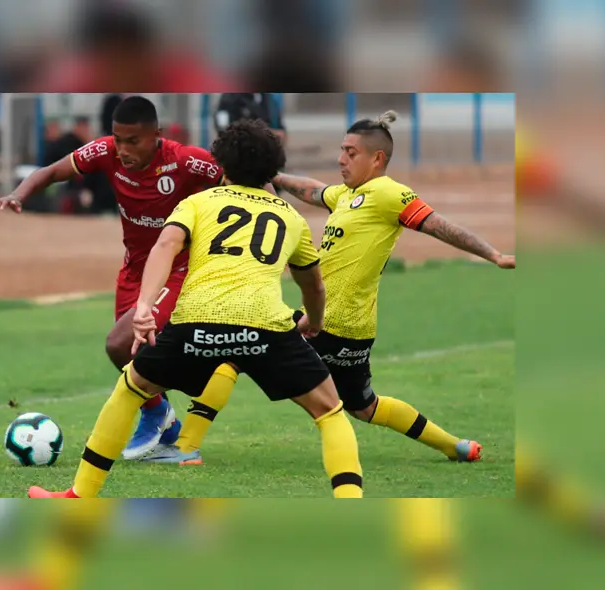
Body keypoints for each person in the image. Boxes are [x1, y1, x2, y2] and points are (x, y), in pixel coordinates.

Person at [142, 111, 516, 466]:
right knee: (364, 406)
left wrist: (492, 254)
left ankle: (185, 448)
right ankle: (456, 446)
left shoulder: (389, 193)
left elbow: (438, 225)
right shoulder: (349, 195)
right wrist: (268, 173)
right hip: (352, 327)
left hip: (328, 322)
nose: (341, 159)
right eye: (341, 150)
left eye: (350, 152)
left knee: (233, 355)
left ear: (377, 158)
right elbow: (314, 191)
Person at [28, 119, 364, 499]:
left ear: (223, 165)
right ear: (272, 169)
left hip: (197, 323)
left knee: (131, 388)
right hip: (266, 326)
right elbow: (313, 285)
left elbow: (165, 247)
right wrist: (313, 321)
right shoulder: (291, 217)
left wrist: (144, 307)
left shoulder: (198, 203)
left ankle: (79, 496)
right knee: (329, 411)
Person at [0, 96, 243, 460]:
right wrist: (18, 194)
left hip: (178, 269)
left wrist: (271, 220)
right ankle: (169, 427)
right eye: (118, 139)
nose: (123, 150)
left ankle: (160, 412)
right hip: (133, 271)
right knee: (132, 356)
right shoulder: (105, 151)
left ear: (156, 135)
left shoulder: (186, 161)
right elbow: (52, 171)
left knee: (119, 343)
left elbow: (246, 179)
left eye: (133, 141)